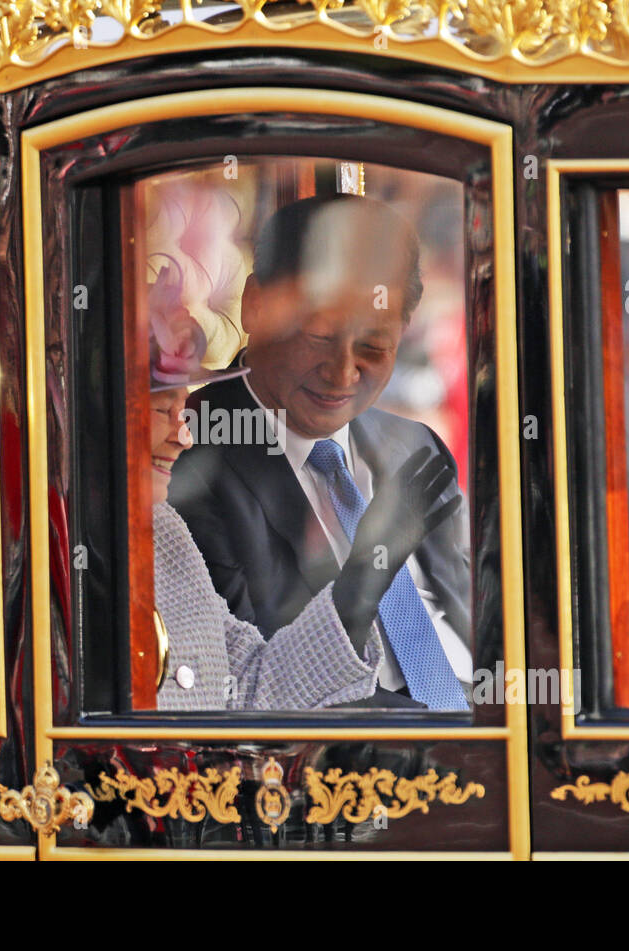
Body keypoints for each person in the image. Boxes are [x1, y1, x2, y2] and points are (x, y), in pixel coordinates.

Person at [169, 194, 473, 711]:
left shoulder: (413, 447)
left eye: (374, 348)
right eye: (318, 337)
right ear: (256, 307)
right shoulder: (187, 450)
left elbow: (477, 618)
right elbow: (251, 689)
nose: (343, 374)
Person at [148, 314, 458, 710]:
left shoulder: (166, 535)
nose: (184, 437)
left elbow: (253, 686)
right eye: (161, 411)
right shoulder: (59, 547)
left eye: (182, 410)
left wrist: (365, 575)